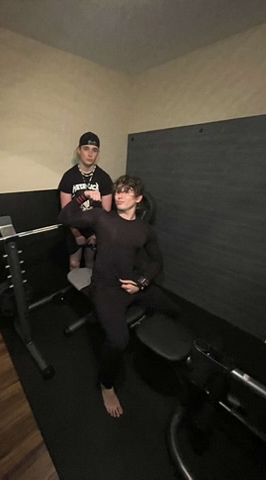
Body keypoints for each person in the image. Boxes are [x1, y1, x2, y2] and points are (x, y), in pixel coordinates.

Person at [58, 175, 179, 418]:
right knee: (118, 341)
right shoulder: (101, 217)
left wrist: (141, 283)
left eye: (127, 191)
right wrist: (82, 197)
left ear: (139, 199)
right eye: (118, 191)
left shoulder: (145, 230)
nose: (120, 195)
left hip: (132, 284)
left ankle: (155, 349)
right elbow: (64, 218)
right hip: (105, 288)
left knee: (172, 308)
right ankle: (107, 385)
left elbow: (157, 261)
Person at [58, 132, 113, 270]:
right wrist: (76, 234)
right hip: (74, 227)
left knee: (90, 263)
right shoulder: (69, 177)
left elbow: (106, 212)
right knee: (74, 263)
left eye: (94, 150)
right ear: (79, 150)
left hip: (95, 229)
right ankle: (76, 291)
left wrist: (96, 234)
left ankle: (90, 291)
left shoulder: (104, 178)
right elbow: (66, 213)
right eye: (86, 149)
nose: (90, 154)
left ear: (98, 153)